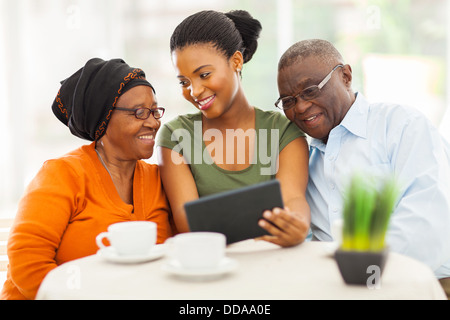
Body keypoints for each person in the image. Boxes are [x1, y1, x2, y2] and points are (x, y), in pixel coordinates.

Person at [276, 39, 450, 297]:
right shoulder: (301, 158)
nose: (300, 107)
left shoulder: (401, 126)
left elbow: (427, 225)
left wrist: (360, 277)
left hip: (421, 285)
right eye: (288, 101)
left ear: (345, 75)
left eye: (311, 90)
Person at [1, 58, 173, 300]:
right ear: (104, 120)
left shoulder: (159, 179)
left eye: (155, 111)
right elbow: (28, 262)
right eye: (140, 112)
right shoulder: (62, 175)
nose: (154, 122)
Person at [156, 10, 310, 247]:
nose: (194, 91)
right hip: (210, 266)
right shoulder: (176, 136)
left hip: (272, 264)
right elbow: (189, 222)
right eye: (184, 82)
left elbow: (293, 199)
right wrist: (264, 224)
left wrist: (296, 225)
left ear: (236, 61)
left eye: (204, 74)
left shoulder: (283, 132)